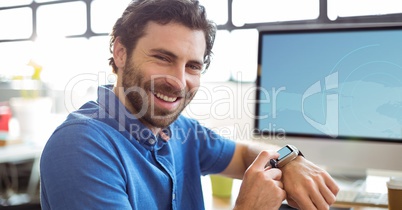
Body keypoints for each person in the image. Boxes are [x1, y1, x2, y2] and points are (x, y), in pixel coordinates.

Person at [39, 0, 339, 209]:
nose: (179, 81)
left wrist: (291, 160)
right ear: (120, 52)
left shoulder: (181, 130)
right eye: (163, 58)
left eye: (193, 66)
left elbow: (244, 155)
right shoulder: (80, 145)